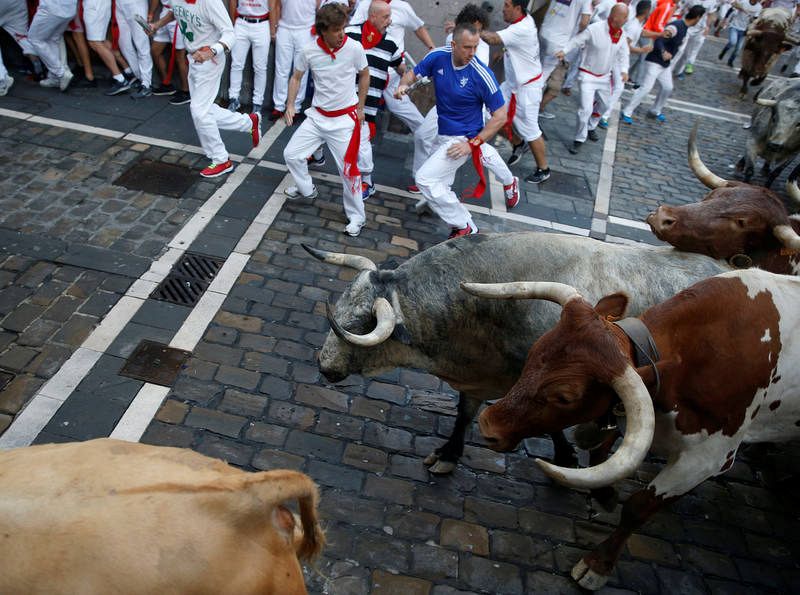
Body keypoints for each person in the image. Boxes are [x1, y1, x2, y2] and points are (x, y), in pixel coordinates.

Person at [395, 23, 518, 239]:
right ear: (453, 45)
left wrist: (470, 145)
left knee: (425, 179)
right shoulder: (438, 57)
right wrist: (402, 86)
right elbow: (413, 75)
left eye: (475, 47)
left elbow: (500, 117)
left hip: (463, 138)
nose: (472, 53)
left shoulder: (482, 74)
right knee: (446, 182)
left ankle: (464, 225)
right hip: (445, 131)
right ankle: (506, 185)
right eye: (466, 47)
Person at [282, 3, 370, 237]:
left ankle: (357, 217)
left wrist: (361, 107)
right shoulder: (309, 50)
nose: (341, 33)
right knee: (291, 154)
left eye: (343, 28)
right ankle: (306, 188)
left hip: (343, 120)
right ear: (323, 31)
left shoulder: (354, 48)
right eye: (336, 30)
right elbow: (296, 77)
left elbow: (364, 73)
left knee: (350, 171)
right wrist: (290, 104)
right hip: (317, 117)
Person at [151, 0, 263, 178]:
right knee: (204, 109)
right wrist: (157, 25)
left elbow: (230, 34)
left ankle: (221, 159)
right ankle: (248, 122)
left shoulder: (211, 2)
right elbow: (176, 11)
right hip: (193, 58)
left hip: (210, 60)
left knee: (198, 111)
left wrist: (212, 50)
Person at [350, 0, 435, 193]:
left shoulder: (403, 7)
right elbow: (354, 31)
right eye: (385, 18)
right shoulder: (367, 5)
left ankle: (425, 138)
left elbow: (418, 27)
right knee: (350, 116)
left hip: (393, 69)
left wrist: (432, 49)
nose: (389, 21)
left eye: (390, 18)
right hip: (368, 66)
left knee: (405, 115)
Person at [481, 0, 550, 190]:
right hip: (512, 86)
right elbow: (511, 43)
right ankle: (518, 143)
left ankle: (544, 169)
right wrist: (505, 51)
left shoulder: (522, 28)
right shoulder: (522, 22)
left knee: (531, 130)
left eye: (507, 5)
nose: (503, 9)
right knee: (492, 115)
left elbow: (493, 38)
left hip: (527, 90)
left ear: (518, 8)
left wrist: (470, 28)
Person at [343, 1, 403, 199]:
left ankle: (367, 181)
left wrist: (410, 79)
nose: (390, 21)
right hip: (343, 100)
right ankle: (316, 155)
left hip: (368, 105)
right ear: (372, 16)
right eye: (386, 17)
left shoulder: (391, 44)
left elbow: (401, 68)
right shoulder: (350, 33)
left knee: (361, 143)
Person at [556, 2, 630, 154]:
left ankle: (591, 125)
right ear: (616, 17)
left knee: (605, 105)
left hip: (604, 77)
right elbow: (577, 40)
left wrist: (624, 70)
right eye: (625, 17)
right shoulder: (594, 29)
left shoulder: (621, 34)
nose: (627, 20)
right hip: (587, 76)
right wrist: (564, 51)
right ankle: (579, 138)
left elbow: (624, 54)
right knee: (585, 109)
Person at [622, 4, 705, 123]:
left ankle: (655, 110)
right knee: (646, 88)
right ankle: (627, 111)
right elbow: (660, 39)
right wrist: (663, 51)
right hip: (654, 61)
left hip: (665, 65)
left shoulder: (685, 27)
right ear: (697, 17)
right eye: (700, 18)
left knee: (668, 87)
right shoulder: (676, 26)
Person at [598, 0, 654, 127]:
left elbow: (642, 33)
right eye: (650, 10)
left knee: (611, 86)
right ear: (646, 11)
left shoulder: (637, 25)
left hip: (619, 58)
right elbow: (626, 46)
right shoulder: (634, 26)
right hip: (618, 59)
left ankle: (600, 110)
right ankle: (604, 115)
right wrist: (642, 50)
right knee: (618, 88)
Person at [537, 0, 593, 119]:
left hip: (544, 32)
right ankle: (527, 108)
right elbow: (584, 22)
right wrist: (577, 35)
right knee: (542, 77)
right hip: (558, 40)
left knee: (536, 70)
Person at [269, 0, 316, 120]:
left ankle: (296, 107)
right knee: (281, 69)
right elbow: (277, 5)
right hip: (285, 28)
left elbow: (318, 6)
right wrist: (274, 29)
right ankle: (278, 106)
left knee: (301, 71)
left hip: (306, 29)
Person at [227, 0, 270, 114]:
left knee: (260, 67)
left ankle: (257, 103)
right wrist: (232, 22)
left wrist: (273, 28)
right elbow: (232, 1)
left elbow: (274, 4)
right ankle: (234, 98)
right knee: (236, 63)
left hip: (262, 23)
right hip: (241, 22)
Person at [27, 0, 77, 91]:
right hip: (69, 8)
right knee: (53, 39)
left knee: (34, 38)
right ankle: (55, 78)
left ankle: (61, 73)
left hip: (51, 8)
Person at [148, 0, 190, 102]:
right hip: (164, 14)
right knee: (155, 51)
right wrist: (151, 13)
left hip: (178, 17)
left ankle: (187, 91)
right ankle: (167, 84)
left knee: (180, 57)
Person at [0, 0, 40, 95]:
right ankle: (43, 68)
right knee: (22, 37)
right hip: (17, 3)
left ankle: (2, 80)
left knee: (21, 36)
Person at [116, 0, 155, 98]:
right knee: (123, 44)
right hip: (119, 4)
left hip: (136, 5)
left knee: (141, 44)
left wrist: (151, 12)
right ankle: (139, 76)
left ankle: (146, 84)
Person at [672, 0, 718, 77]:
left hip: (700, 30)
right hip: (687, 26)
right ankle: (669, 70)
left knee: (688, 53)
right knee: (680, 49)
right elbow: (680, 8)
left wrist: (707, 27)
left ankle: (679, 71)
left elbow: (711, 15)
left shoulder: (712, 1)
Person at [718, 0, 761, 67]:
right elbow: (732, 7)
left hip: (744, 29)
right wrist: (725, 19)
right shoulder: (744, 2)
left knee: (738, 49)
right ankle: (724, 50)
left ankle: (731, 61)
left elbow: (755, 19)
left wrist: (752, 20)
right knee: (732, 42)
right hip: (735, 26)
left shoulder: (759, 7)